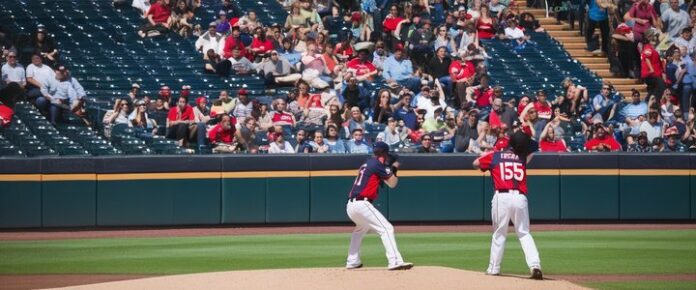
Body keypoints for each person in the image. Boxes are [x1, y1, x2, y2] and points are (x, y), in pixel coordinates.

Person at [473, 131, 543, 280]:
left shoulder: (495, 156)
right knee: (524, 233)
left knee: (499, 233)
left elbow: (475, 164)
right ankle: (535, 265)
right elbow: (534, 148)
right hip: (520, 198)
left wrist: (493, 152)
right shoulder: (523, 157)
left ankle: (494, 268)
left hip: (502, 196)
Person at [345, 142, 413, 271]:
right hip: (362, 204)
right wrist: (394, 169)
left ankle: (352, 261)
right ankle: (395, 261)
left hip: (350, 205)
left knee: (360, 230)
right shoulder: (377, 164)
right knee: (387, 229)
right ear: (385, 154)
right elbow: (392, 183)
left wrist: (389, 169)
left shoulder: (368, 163)